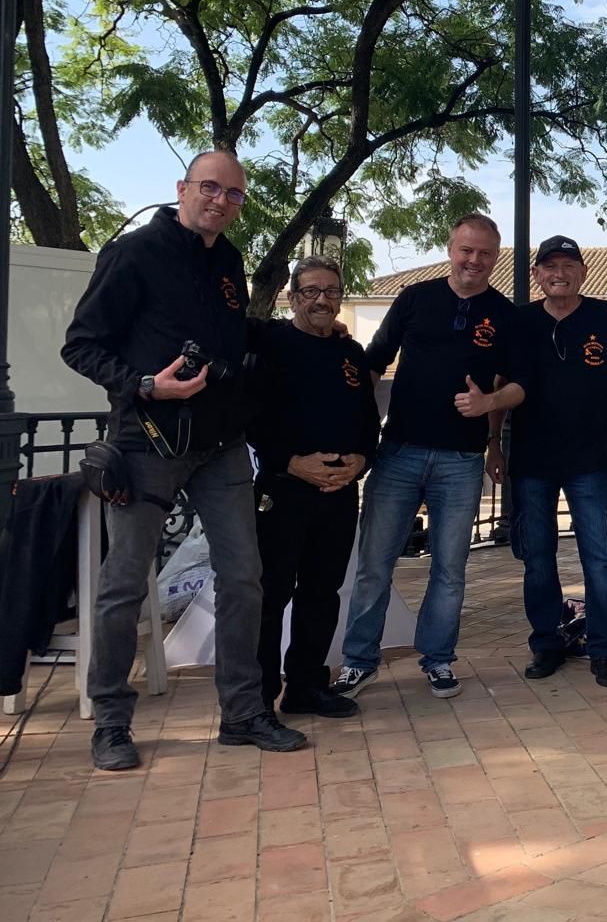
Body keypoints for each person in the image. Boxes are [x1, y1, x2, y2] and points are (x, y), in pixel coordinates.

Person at [61, 151, 306, 770]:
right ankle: (111, 723)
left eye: (233, 194)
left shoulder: (227, 258)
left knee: (244, 575)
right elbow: (80, 346)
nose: (220, 200)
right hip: (146, 441)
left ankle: (243, 713)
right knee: (121, 587)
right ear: (182, 188)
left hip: (220, 444)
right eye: (209, 188)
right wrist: (145, 383)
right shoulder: (133, 254)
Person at [334, 214, 528, 700]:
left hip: (461, 461)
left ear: (495, 257)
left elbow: (521, 386)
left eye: (484, 253)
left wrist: (488, 407)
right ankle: (359, 661)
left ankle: (438, 659)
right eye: (466, 250)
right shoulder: (415, 298)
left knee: (449, 569)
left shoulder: (505, 314)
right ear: (450, 248)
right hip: (398, 452)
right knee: (375, 564)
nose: (473, 260)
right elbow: (373, 361)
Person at [501, 235, 607, 688]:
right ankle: (547, 643)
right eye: (549, 266)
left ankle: (603, 649)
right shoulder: (518, 321)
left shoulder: (606, 316)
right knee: (537, 558)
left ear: (582, 272)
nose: (558, 273)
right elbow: (500, 384)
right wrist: (492, 447)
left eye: (568, 265)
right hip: (530, 461)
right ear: (537, 274)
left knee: (600, 558)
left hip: (589, 462)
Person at [249, 255, 379, 719]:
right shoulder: (269, 344)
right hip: (283, 490)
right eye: (311, 291)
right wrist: (290, 462)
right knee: (270, 594)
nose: (323, 300)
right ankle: (258, 699)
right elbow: (253, 419)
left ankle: (305, 686)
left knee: (323, 595)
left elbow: (368, 419)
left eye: (331, 291)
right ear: (292, 297)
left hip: (340, 492)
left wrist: (361, 461)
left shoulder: (351, 353)